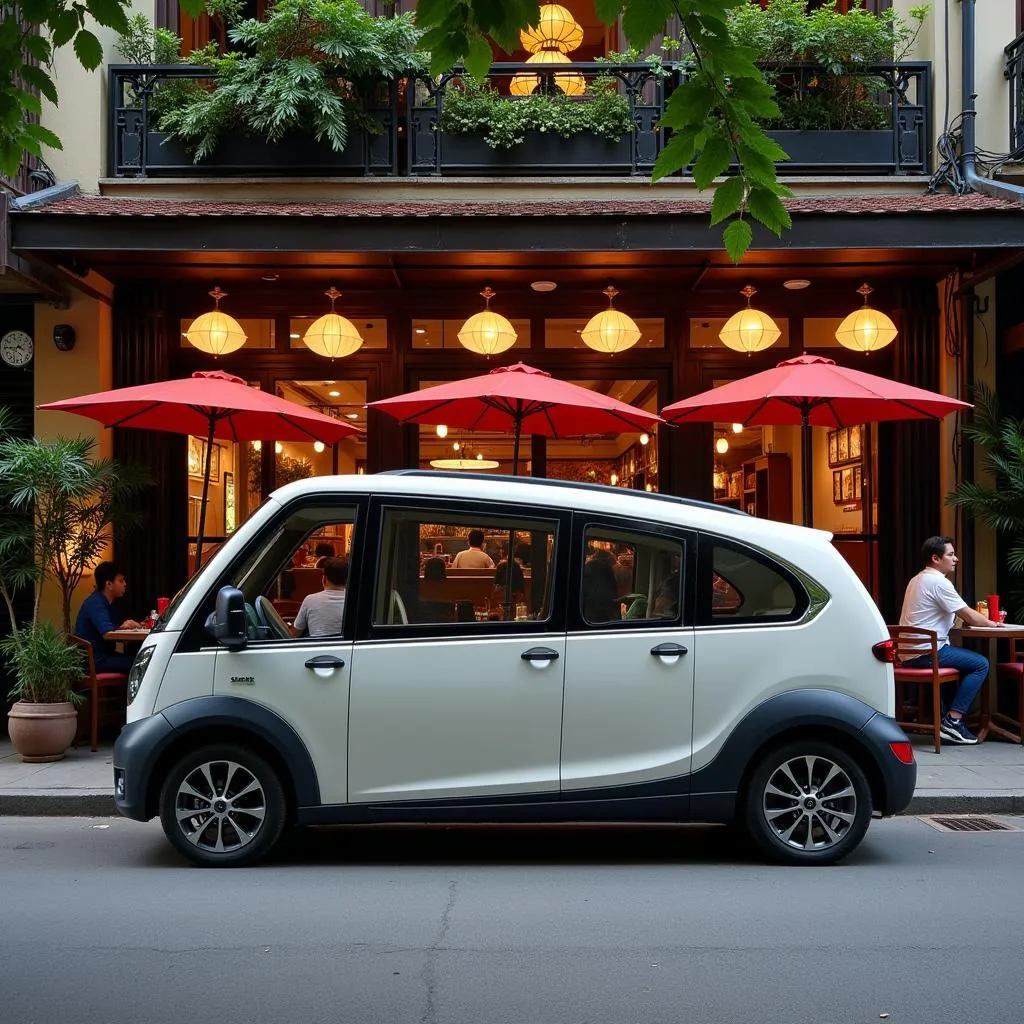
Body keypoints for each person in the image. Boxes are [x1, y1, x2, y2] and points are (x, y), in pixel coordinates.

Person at [899, 535, 1004, 745]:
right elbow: (969, 615)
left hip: (908, 652)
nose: (955, 558)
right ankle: (953, 721)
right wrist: (993, 623)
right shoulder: (939, 582)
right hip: (926, 652)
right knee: (980, 664)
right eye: (951, 554)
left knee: (957, 662)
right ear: (936, 559)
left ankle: (947, 720)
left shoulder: (917, 579)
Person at [73, 562, 142, 674]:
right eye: (121, 581)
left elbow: (110, 630)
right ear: (109, 584)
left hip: (103, 655)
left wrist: (123, 627)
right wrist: (123, 627)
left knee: (139, 660)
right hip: (94, 660)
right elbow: (107, 633)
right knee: (139, 665)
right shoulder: (96, 603)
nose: (125, 584)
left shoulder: (108, 603)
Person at [292, 556, 348, 637]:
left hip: (317, 648)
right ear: (348, 580)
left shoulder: (310, 600)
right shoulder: (356, 603)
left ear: (323, 579)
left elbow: (294, 634)